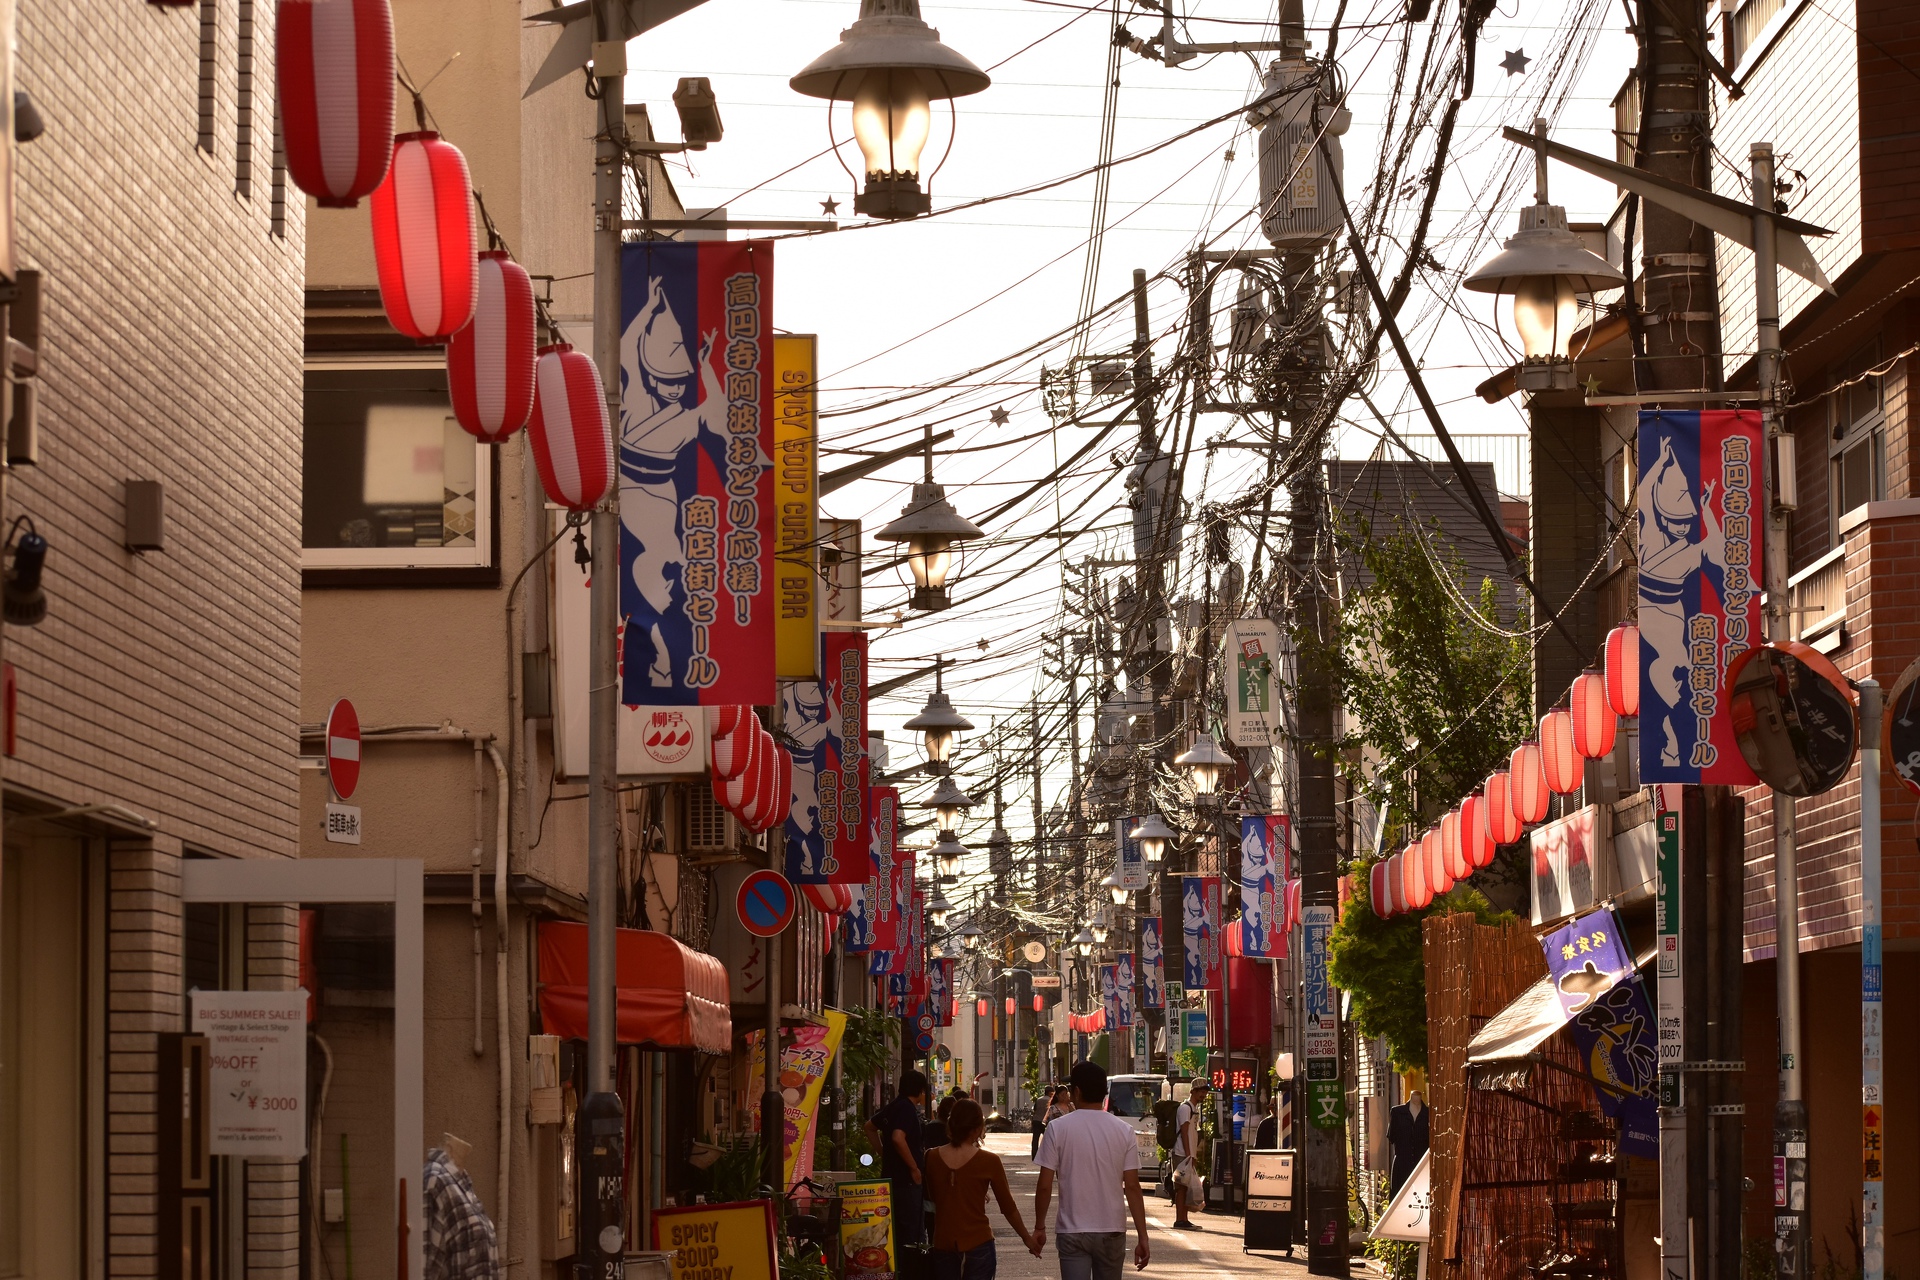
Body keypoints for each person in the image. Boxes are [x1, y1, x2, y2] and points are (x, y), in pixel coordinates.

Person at [1032, 1062, 1151, 1279]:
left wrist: (1040, 1227)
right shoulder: (1124, 1131)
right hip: (1111, 1230)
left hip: (1072, 1230)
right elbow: (1132, 1186)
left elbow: (1044, 1185)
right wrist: (1143, 1236)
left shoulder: (1057, 1129)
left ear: (1076, 1092)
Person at [925, 1098, 1036, 1280]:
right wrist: (1027, 1239)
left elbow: (935, 1196)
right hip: (978, 1242)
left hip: (943, 1243)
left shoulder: (930, 1157)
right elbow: (1008, 1207)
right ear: (978, 1128)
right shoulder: (989, 1161)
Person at [866, 1070, 931, 1254]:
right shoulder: (907, 1109)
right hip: (907, 1181)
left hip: (890, 1178)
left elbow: (869, 1127)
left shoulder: (894, 1105)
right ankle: (914, 1269)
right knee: (913, 1233)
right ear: (919, 1090)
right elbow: (897, 1137)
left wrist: (883, 1152)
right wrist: (914, 1168)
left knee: (895, 1230)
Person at [1170, 1079, 1208, 1231]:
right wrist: (1188, 1155)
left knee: (1186, 1187)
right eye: (1200, 1091)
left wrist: (1193, 1154)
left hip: (1188, 1153)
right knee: (1181, 1187)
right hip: (1181, 1153)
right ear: (1192, 1091)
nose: (1203, 1094)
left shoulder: (1193, 1109)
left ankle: (1184, 1219)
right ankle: (1179, 1219)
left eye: (1204, 1092)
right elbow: (1184, 1132)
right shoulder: (1185, 1108)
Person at [1032, 1086, 1069, 1159]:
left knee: (1036, 1140)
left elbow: (1035, 1109)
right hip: (1050, 1125)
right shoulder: (1052, 1105)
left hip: (1037, 1121)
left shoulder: (1039, 1100)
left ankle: (1035, 1156)